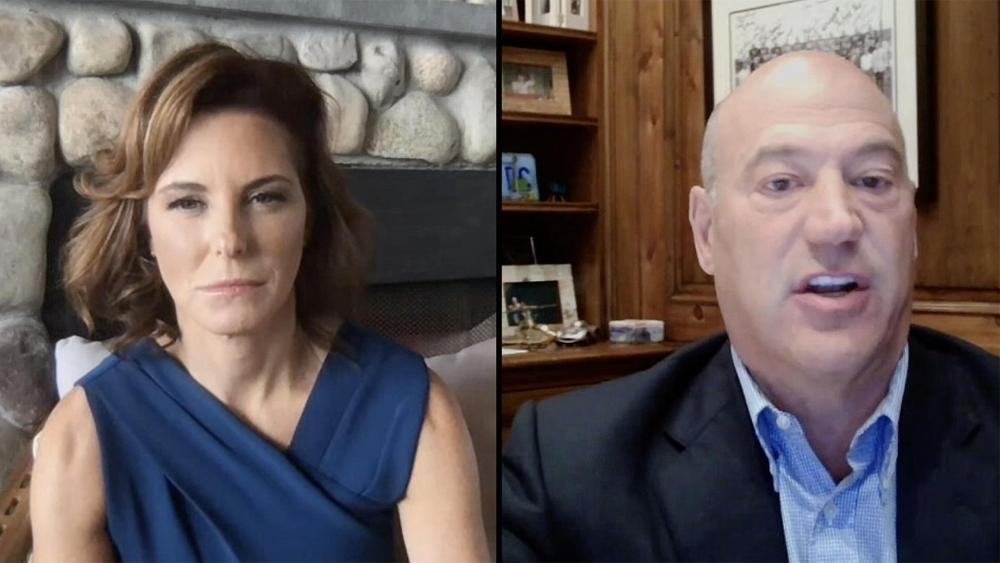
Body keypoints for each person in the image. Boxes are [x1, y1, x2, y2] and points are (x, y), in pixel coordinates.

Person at [501, 51, 998, 561]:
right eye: (781, 183)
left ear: (910, 227)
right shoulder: (566, 473)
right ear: (706, 232)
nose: (836, 223)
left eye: (872, 180)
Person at [31, 44, 490, 562]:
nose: (229, 240)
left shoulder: (413, 408)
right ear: (145, 230)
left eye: (264, 197)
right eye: (187, 203)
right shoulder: (81, 438)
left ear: (309, 218)